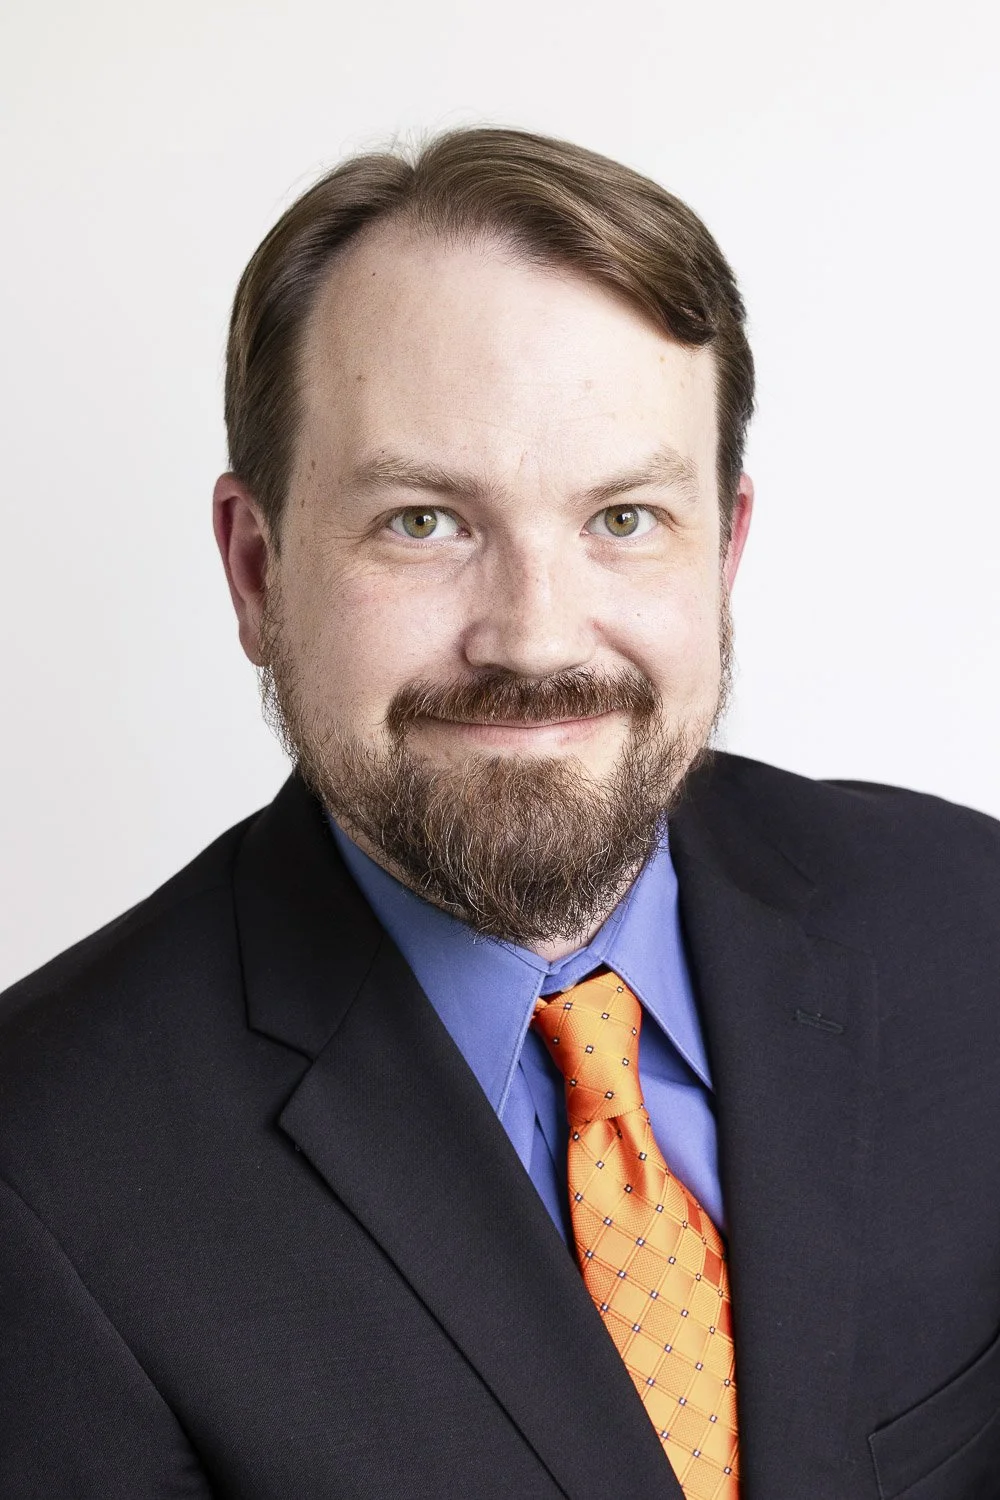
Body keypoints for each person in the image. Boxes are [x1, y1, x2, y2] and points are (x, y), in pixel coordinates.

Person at [1, 126, 998, 1500]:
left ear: (726, 548)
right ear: (257, 570)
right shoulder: (42, 1175)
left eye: (624, 518)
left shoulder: (966, 922)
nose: (534, 639)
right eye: (424, 521)